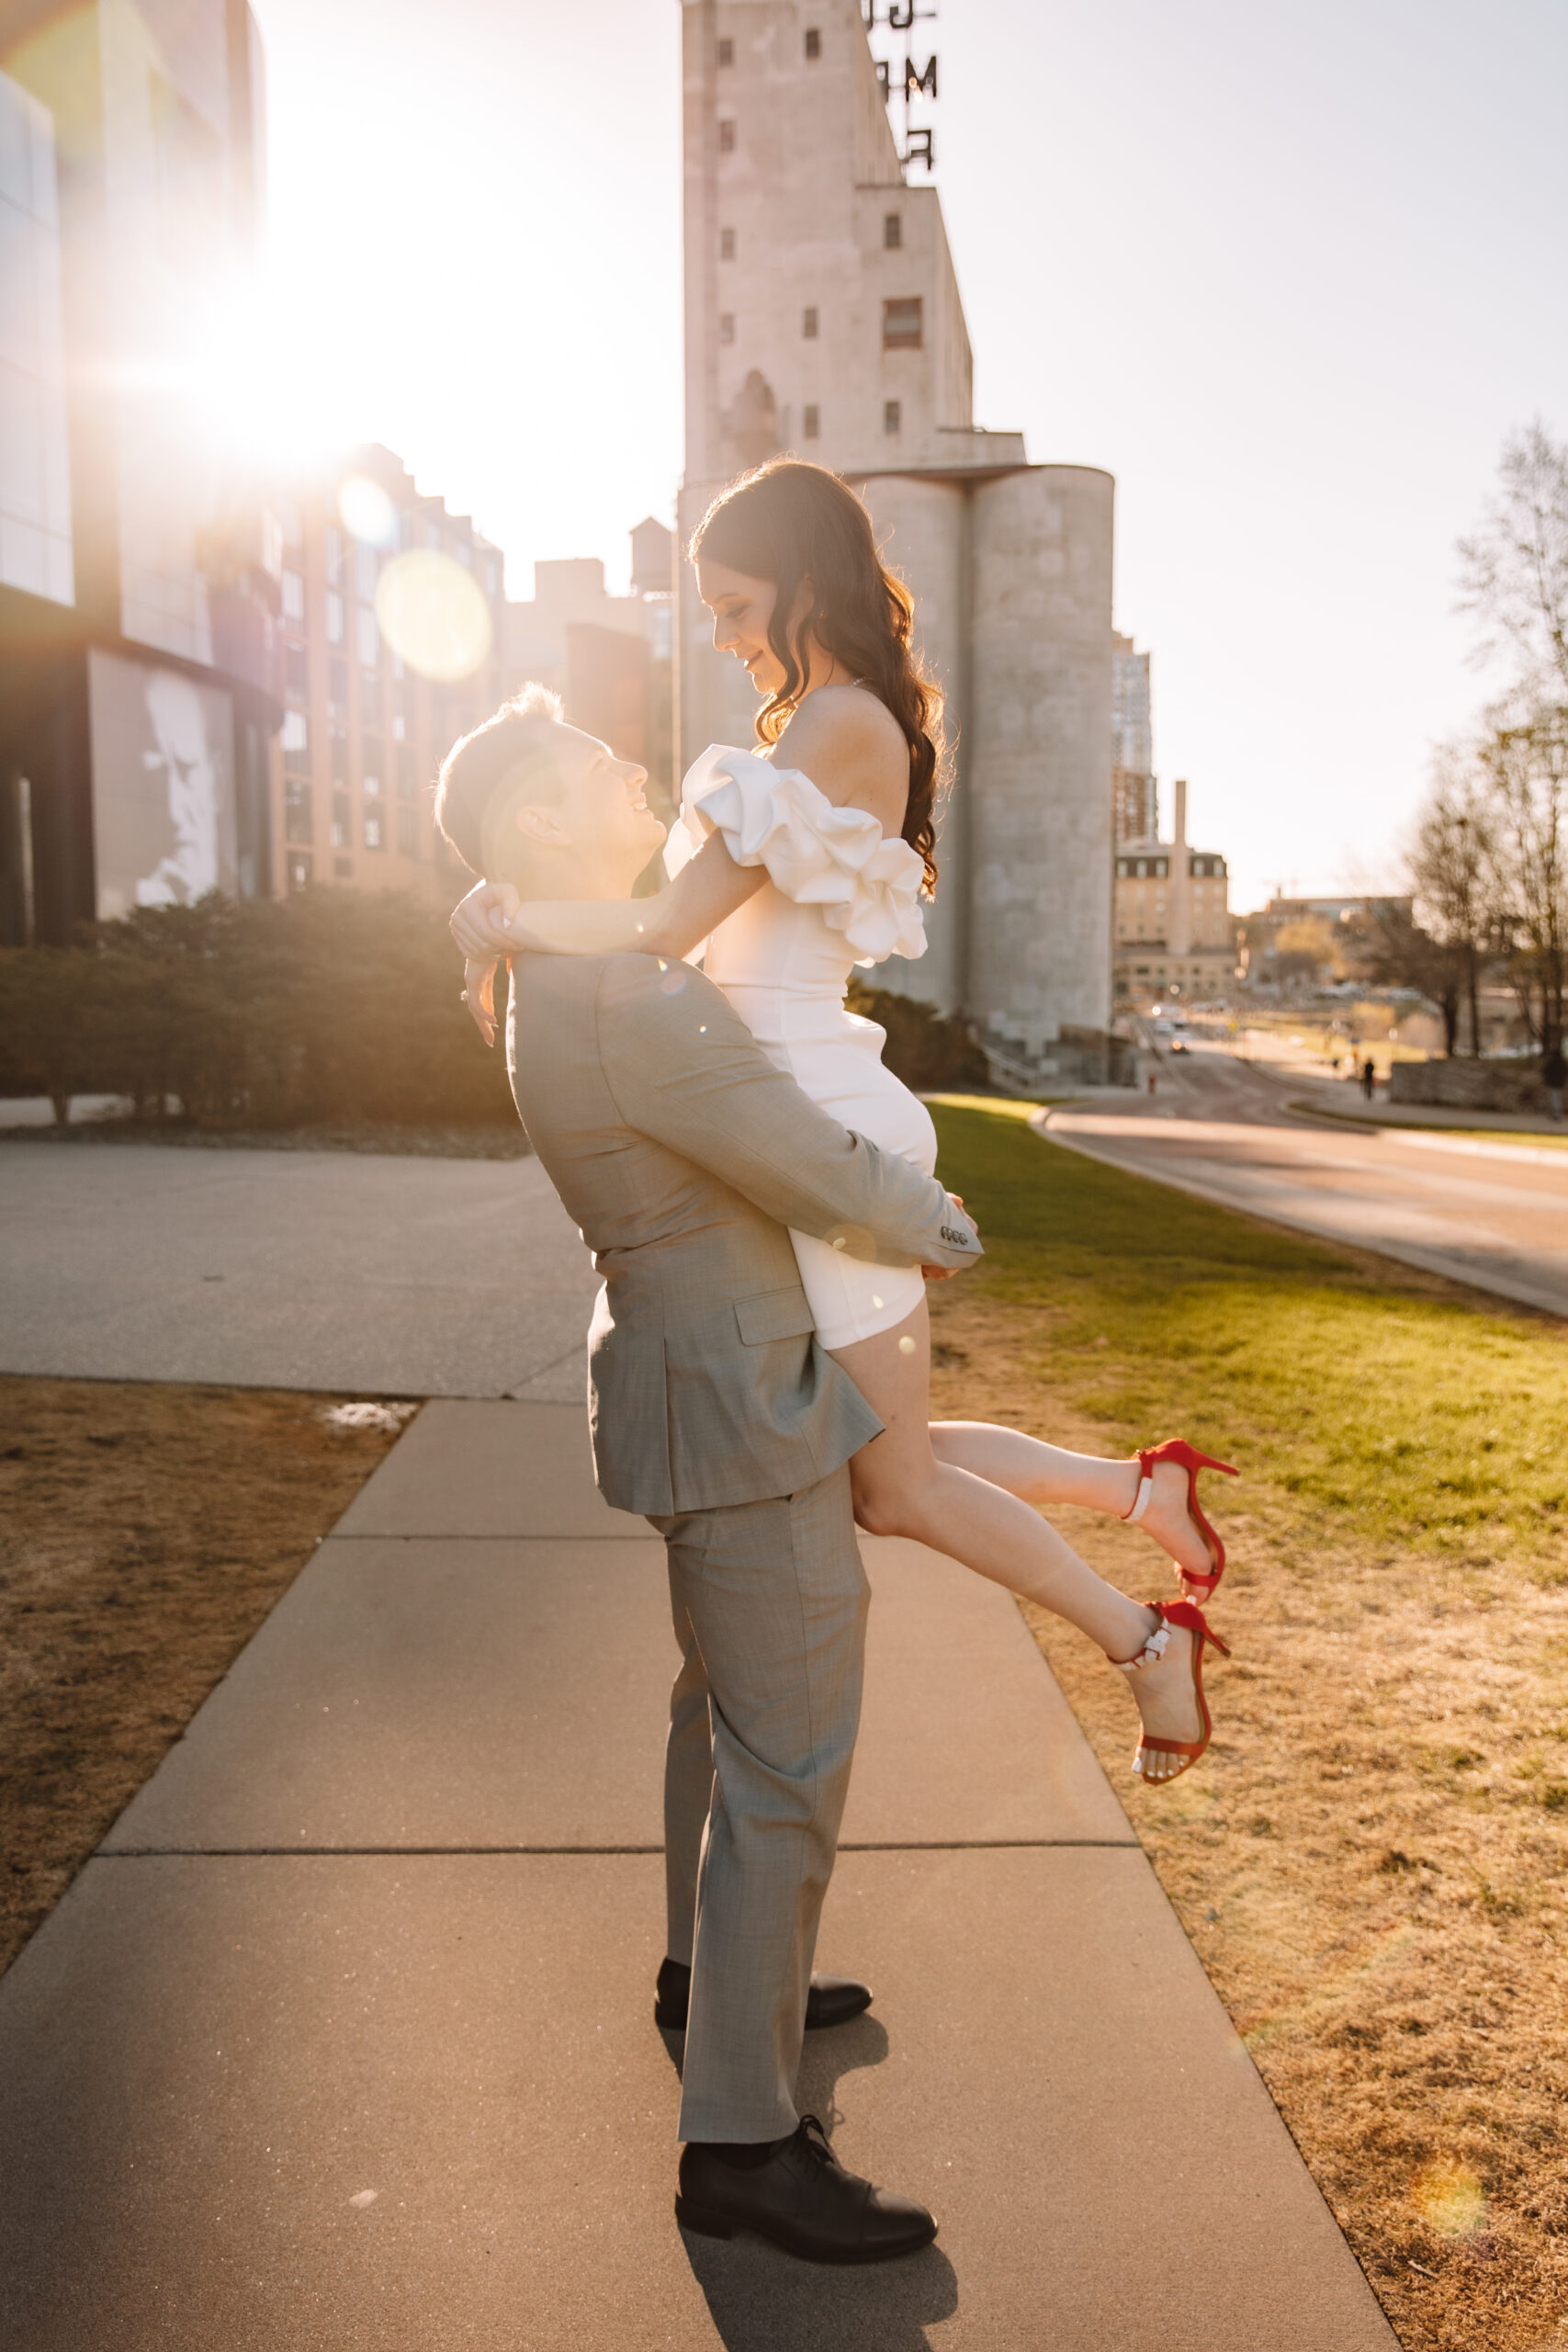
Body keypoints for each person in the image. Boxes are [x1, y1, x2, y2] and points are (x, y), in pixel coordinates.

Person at [452, 462, 1234, 1803]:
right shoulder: (811, 728)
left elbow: (658, 931)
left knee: (892, 1484)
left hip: (815, 1119)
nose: (720, 633)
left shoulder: (835, 729)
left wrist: (505, 916)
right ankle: (1137, 1498)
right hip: (792, 1107)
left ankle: (1144, 1638)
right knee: (878, 1451)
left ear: (804, 577)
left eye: (734, 602)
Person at [436, 687, 978, 2262]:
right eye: (600, 766)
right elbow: (801, 1157)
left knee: (719, 1707)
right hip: (739, 1396)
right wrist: (944, 1226)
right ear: (540, 822)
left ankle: (712, 1980)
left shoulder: (554, 967)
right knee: (789, 1752)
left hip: (687, 1376)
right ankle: (741, 2142)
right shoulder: (623, 992)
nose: (637, 773)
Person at [1542, 1041, 1566, 1123]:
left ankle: (1555, 1114)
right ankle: (1557, 1114)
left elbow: (1544, 1071)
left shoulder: (1551, 1062)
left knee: (1554, 1099)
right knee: (1558, 1099)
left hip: (1552, 1083)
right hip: (1559, 1083)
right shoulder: (1562, 1062)